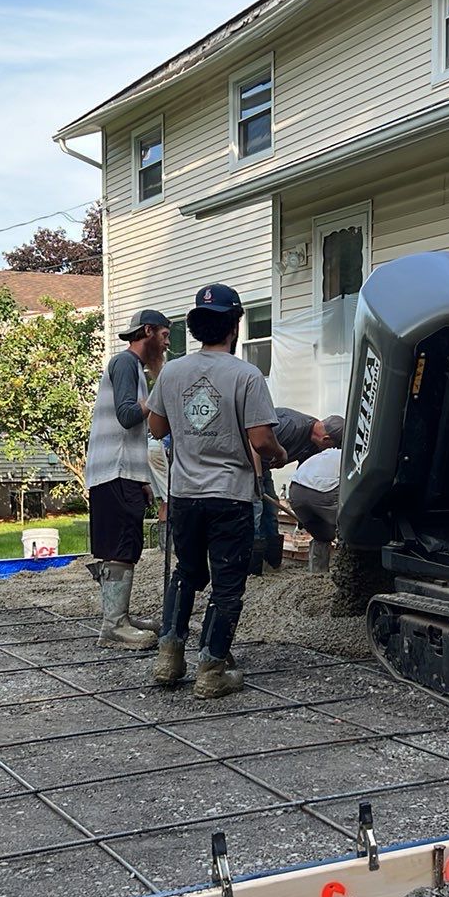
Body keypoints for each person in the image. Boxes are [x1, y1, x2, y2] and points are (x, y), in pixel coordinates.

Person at [147, 284, 286, 698]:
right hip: (229, 495)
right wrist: (278, 453)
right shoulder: (246, 375)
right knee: (227, 584)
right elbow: (261, 440)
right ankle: (211, 669)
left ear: (196, 326)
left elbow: (156, 428)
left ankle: (169, 656)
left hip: (186, 494)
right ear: (236, 324)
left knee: (186, 573)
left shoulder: (173, 372)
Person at [84, 309, 169, 648]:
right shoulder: (124, 364)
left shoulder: (132, 368)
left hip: (123, 470)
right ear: (147, 331)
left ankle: (118, 615)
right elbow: (128, 415)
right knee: (121, 546)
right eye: (163, 335)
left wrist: (143, 479)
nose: (165, 344)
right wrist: (157, 396)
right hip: (114, 469)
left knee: (123, 545)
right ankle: (113, 626)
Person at [250, 410, 344, 575]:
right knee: (254, 511)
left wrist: (305, 511)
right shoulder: (291, 427)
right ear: (326, 439)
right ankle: (251, 570)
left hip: (262, 468)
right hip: (244, 464)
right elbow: (253, 441)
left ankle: (271, 566)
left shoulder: (314, 444)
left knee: (271, 511)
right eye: (333, 446)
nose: (332, 451)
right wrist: (257, 479)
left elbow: (306, 472)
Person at [288, 446, 341, 572]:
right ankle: (348, 574)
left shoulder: (325, 455)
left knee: (322, 535)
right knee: (349, 531)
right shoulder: (351, 457)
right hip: (326, 492)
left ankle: (317, 573)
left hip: (296, 491)